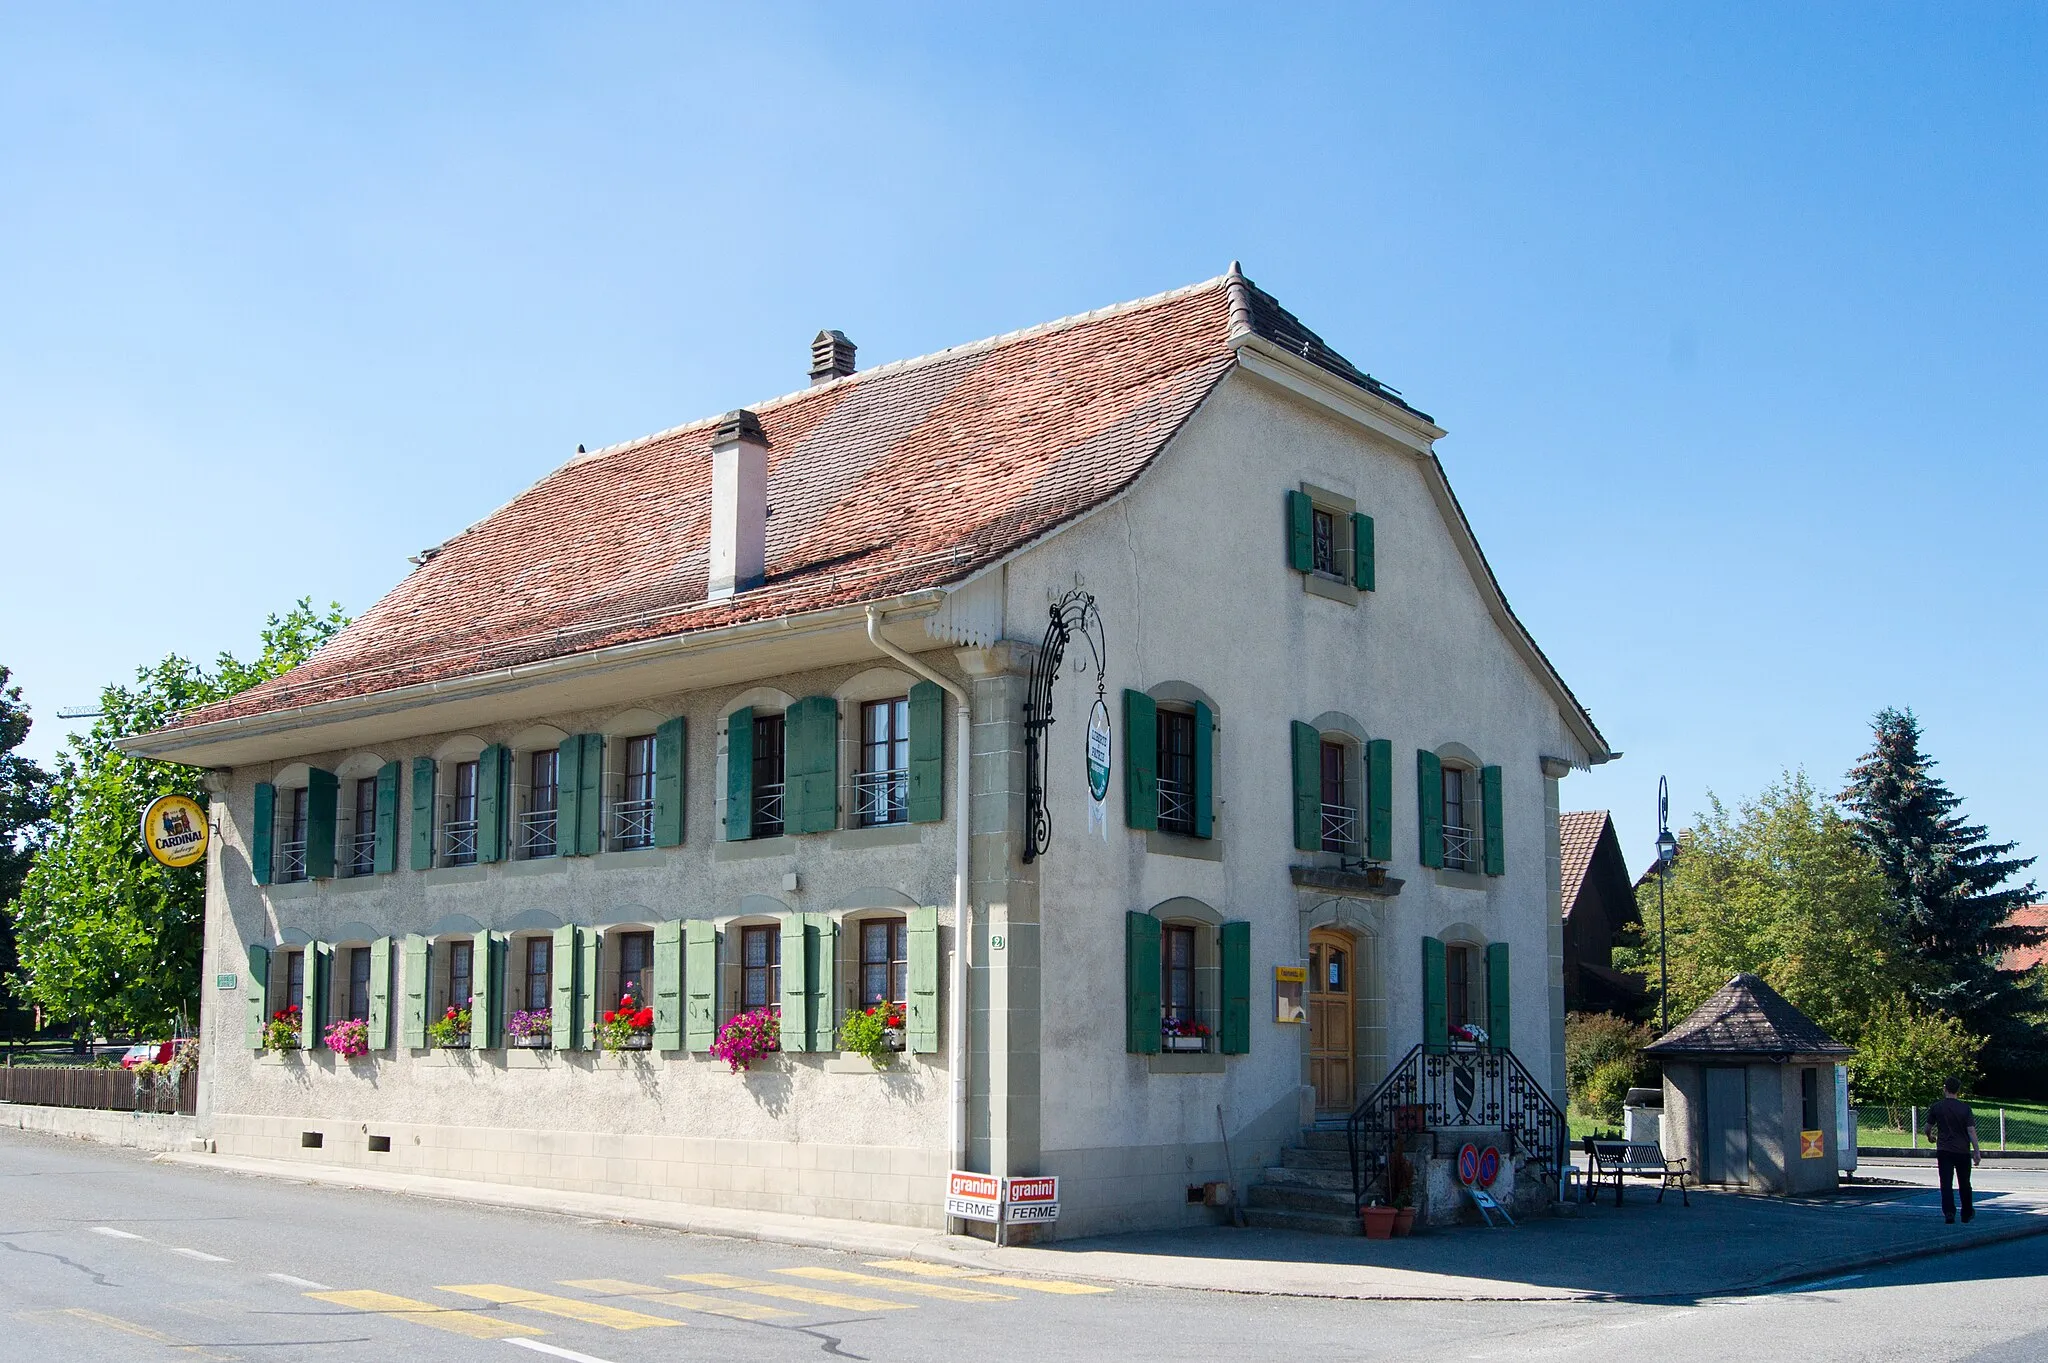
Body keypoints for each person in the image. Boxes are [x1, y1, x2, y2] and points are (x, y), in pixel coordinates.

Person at [1925, 1076, 1982, 1223]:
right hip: (1962, 1151)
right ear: (1958, 1090)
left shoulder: (1937, 1107)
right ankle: (1967, 1212)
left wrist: (1930, 1137)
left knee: (1946, 1183)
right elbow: (1971, 1131)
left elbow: (1927, 1127)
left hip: (1944, 1150)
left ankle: (1949, 1212)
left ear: (1945, 1088)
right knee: (1964, 1183)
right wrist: (1976, 1151)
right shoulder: (1965, 1109)